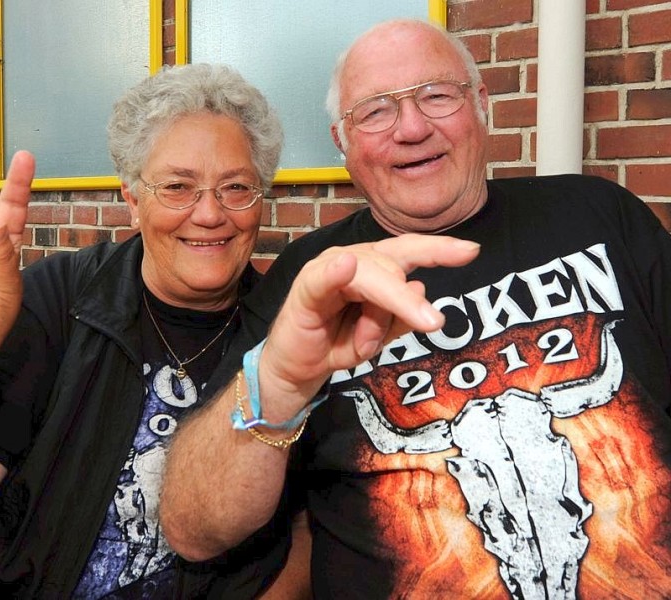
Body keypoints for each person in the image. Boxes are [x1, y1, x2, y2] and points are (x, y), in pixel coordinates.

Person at [160, 19, 671, 599]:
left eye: (436, 95)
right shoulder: (309, 283)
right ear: (342, 143)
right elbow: (194, 530)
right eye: (375, 111)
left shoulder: (599, 214)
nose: (411, 127)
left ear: (481, 105)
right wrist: (278, 381)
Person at [0, 63, 309, 598]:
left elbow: (306, 531)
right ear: (131, 198)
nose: (210, 214)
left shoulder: (292, 334)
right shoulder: (59, 302)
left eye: (236, 187)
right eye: (177, 187)